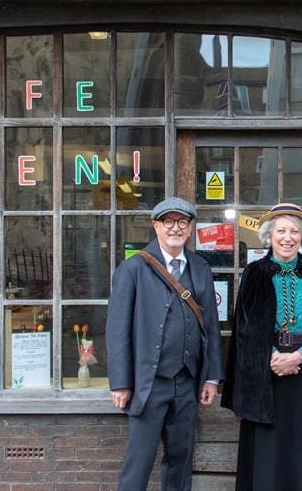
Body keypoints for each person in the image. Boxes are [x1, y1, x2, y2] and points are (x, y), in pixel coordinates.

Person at [221, 203, 302, 491]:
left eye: (294, 232)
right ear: (269, 236)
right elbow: (247, 326)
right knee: (267, 445)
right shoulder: (255, 273)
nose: (288, 238)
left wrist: (298, 355)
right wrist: (274, 357)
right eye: (281, 231)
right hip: (265, 373)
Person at [107, 197, 224, 491]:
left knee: (180, 460)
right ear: (156, 225)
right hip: (149, 383)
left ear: (189, 228)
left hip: (186, 381)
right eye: (168, 221)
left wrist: (211, 376)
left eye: (182, 222)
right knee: (139, 462)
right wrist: (120, 382)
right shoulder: (133, 269)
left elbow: (209, 325)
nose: (175, 228)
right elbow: (117, 329)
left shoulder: (200, 267)